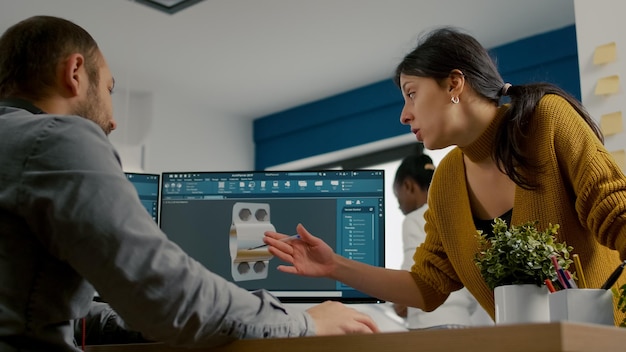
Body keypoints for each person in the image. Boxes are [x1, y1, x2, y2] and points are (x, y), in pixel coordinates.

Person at [0, 15, 378, 351]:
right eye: (109, 89)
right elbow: (164, 294)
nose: (113, 121)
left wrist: (151, 323)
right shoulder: (57, 138)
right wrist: (305, 323)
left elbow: (72, 316)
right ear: (76, 72)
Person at [264, 26, 626, 323]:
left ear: (454, 84)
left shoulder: (548, 121)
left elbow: (617, 213)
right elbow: (427, 287)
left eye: (411, 94)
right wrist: (333, 266)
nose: (404, 115)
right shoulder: (447, 180)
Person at [392, 153, 484, 329]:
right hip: (463, 322)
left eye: (398, 198)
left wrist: (399, 303)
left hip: (428, 325)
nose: (399, 206)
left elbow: (413, 275)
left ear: (408, 186)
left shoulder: (413, 219)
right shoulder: (455, 216)